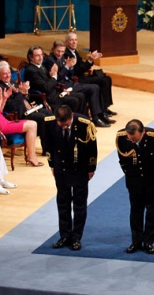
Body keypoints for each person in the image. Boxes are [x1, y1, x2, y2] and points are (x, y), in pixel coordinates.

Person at [45, 105, 97, 251]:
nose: (64, 127)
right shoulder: (49, 123)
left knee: (79, 204)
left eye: (66, 124)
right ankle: (64, 236)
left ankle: (76, 237)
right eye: (61, 125)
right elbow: (48, 144)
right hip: (61, 168)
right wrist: (52, 165)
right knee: (63, 203)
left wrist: (91, 168)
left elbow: (92, 147)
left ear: (71, 116)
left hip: (79, 168)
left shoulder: (84, 123)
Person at [116, 119, 154, 255]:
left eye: (135, 139)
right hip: (134, 181)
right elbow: (122, 159)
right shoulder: (121, 137)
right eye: (130, 139)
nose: (132, 142)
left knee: (152, 211)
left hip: (152, 180)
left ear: (143, 132)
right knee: (136, 211)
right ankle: (136, 241)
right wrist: (129, 174)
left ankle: (148, 242)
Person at [0, 70, 43, 167]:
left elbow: (0, 111)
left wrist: (5, 98)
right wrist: (0, 100)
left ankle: (31, 156)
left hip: (4, 121)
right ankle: (31, 157)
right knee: (32, 125)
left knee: (32, 123)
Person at [43, 40, 112, 128]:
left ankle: (99, 115)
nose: (60, 54)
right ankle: (95, 118)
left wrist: (71, 66)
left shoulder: (63, 57)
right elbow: (57, 78)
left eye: (62, 51)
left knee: (96, 86)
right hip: (63, 86)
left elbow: (71, 74)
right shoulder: (50, 61)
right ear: (53, 50)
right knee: (93, 88)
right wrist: (67, 67)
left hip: (71, 83)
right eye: (58, 51)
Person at [64, 32, 115, 117]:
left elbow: (81, 66)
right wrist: (89, 60)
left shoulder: (74, 52)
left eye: (75, 40)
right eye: (71, 40)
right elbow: (77, 70)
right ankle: (103, 110)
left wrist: (91, 60)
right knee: (102, 81)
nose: (74, 42)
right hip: (78, 78)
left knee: (107, 78)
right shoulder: (66, 54)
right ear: (66, 42)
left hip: (82, 75)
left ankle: (105, 107)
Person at [25, 45, 82, 114]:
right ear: (31, 57)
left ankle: (83, 120)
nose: (41, 58)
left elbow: (50, 82)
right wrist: (54, 76)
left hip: (55, 93)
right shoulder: (31, 71)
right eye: (37, 55)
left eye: (41, 55)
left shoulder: (41, 66)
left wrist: (62, 89)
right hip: (48, 98)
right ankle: (70, 122)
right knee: (74, 100)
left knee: (80, 96)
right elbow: (46, 88)